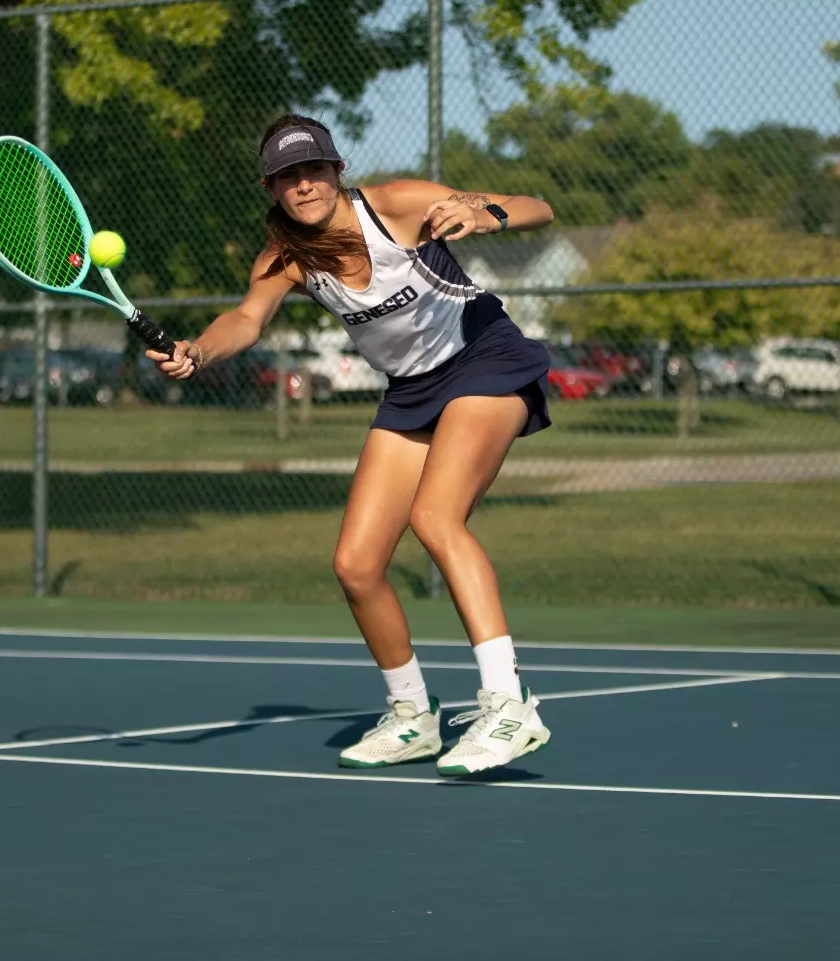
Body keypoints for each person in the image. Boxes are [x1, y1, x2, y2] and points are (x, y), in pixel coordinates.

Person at [146, 113, 557, 776]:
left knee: (435, 517)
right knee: (356, 564)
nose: (302, 184)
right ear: (271, 187)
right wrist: (198, 350)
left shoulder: (395, 205)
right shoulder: (286, 257)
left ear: (337, 171)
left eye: (313, 169)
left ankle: (510, 704)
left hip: (484, 357)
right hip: (411, 391)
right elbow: (245, 320)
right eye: (286, 176)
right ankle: (411, 717)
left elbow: (539, 207)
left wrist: (489, 215)